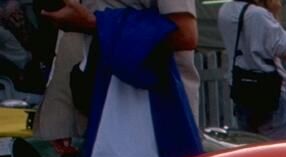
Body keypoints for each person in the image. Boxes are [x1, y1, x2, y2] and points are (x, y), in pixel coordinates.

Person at [43, 0, 201, 125]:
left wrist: (97, 24)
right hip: (98, 107)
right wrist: (59, 117)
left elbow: (185, 34)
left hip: (155, 114)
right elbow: (73, 30)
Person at [218, 0, 286, 140]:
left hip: (242, 87)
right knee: (276, 149)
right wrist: (274, 13)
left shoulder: (225, 11)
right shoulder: (259, 15)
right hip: (268, 90)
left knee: (248, 143)